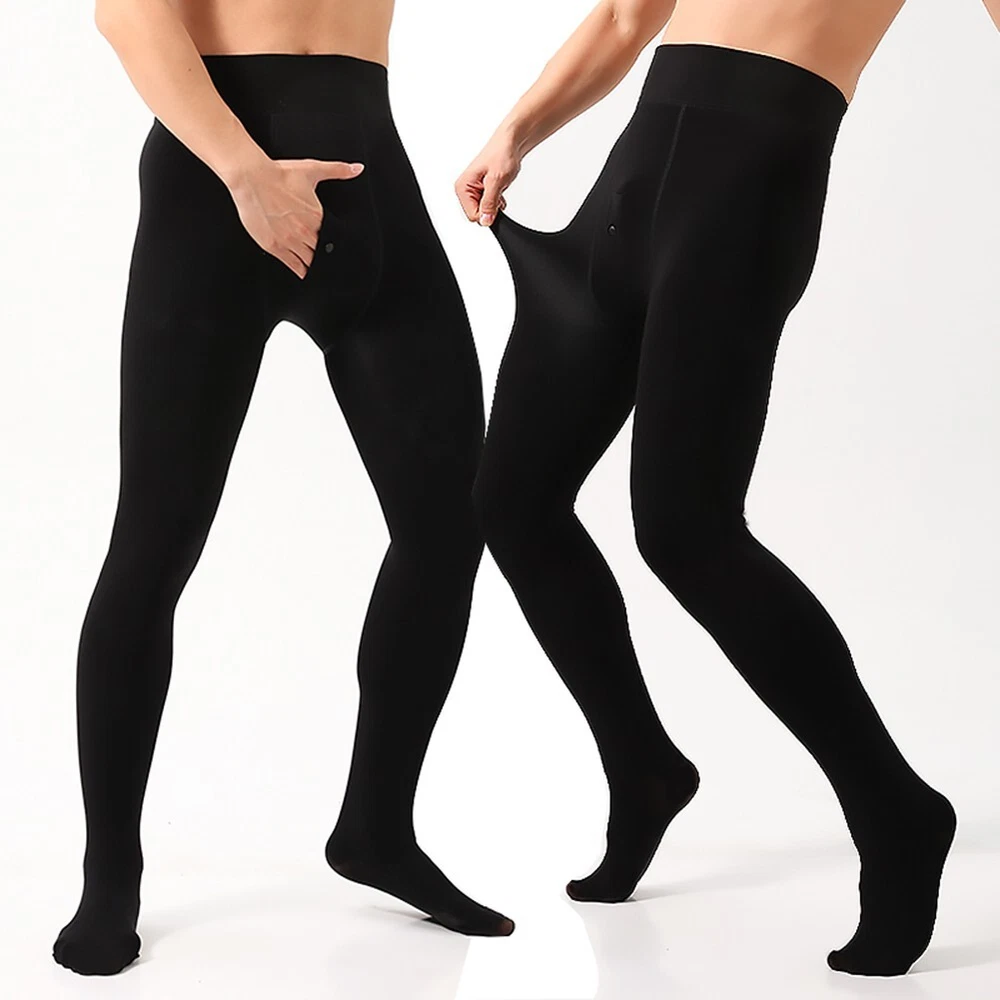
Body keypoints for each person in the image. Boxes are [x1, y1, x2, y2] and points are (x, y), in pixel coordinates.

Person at [456, 0, 995, 977]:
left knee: (686, 527)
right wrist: (515, 132)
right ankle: (643, 766)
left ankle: (895, 810)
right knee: (513, 501)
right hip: (630, 186)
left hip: (752, 186)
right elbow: (626, 17)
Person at [53, 0, 515, 978]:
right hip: (218, 187)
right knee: (154, 542)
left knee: (449, 523)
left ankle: (377, 827)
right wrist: (245, 173)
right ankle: (110, 873)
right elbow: (127, 15)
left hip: (371, 181)